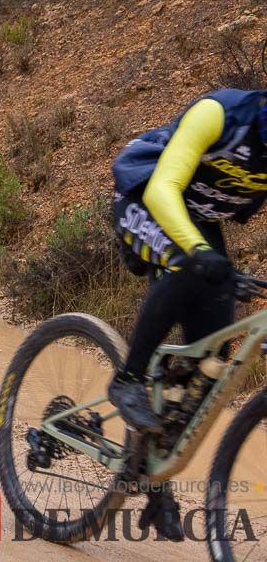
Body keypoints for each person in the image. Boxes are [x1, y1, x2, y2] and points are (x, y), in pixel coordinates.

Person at [107, 88, 267, 540]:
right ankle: (128, 379)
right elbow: (163, 188)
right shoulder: (220, 115)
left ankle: (155, 477)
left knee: (212, 360)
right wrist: (198, 252)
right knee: (191, 267)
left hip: (198, 223)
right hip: (145, 196)